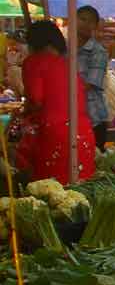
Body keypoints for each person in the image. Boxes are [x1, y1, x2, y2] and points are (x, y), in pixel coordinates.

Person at [17, 21, 95, 184]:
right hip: (83, 134)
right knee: (79, 196)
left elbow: (36, 100)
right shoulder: (69, 64)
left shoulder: (33, 62)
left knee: (52, 196)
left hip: (54, 137)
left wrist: (24, 111)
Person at [75, 5, 108, 151]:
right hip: (71, 117)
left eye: (90, 21)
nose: (85, 24)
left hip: (93, 118)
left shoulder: (98, 51)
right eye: (82, 19)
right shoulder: (65, 48)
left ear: (95, 25)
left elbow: (90, 84)